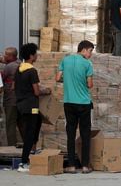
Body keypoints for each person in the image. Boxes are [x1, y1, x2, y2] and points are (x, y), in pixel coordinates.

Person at [56, 40, 94, 174]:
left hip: (69, 103)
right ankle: (84, 166)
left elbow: (57, 78)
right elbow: (90, 85)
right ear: (84, 49)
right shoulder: (87, 64)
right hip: (83, 103)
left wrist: (69, 81)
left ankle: (71, 165)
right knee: (85, 134)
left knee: (70, 134)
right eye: (90, 51)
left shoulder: (65, 60)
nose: (90, 54)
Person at [14, 43, 49, 173]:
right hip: (31, 106)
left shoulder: (19, 69)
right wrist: (45, 91)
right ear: (31, 56)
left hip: (21, 105)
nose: (37, 55)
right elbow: (36, 92)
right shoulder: (32, 71)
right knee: (30, 132)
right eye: (35, 53)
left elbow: (13, 87)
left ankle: (33, 149)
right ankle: (23, 162)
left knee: (38, 121)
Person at [1, 47, 23, 146]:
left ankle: (11, 147)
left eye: (5, 54)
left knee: (10, 125)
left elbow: (1, 78)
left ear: (10, 56)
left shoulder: (9, 67)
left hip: (10, 100)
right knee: (21, 124)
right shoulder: (20, 63)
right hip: (20, 100)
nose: (4, 56)